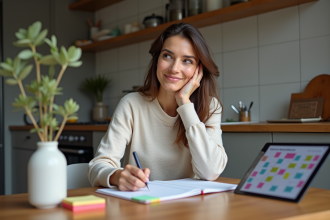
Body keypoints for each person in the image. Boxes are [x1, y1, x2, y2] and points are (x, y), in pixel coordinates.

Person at [88, 23, 227, 191]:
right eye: (167, 56)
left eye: (187, 61)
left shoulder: (210, 106)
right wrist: (117, 176)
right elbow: (98, 165)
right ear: (157, 61)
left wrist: (184, 102)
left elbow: (211, 172)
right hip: (142, 206)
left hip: (189, 208)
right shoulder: (132, 104)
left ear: (199, 70)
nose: (174, 68)